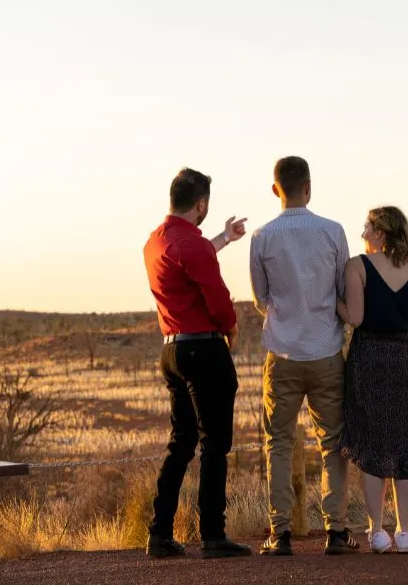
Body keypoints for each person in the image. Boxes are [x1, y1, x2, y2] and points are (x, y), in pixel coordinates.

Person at [249, 156, 359, 556]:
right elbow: (342, 291)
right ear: (308, 187)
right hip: (327, 350)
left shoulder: (261, 237)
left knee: (278, 442)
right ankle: (336, 530)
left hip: (282, 353)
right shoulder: (333, 232)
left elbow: (262, 298)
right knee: (332, 443)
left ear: (276, 189)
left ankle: (280, 533)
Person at [142, 167, 252, 559]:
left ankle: (160, 532)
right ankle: (212, 534)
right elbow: (216, 295)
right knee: (215, 443)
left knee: (182, 441)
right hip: (203, 350)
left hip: (171, 350)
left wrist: (223, 238)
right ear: (201, 203)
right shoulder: (192, 246)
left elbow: (190, 259)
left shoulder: (156, 242)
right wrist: (231, 327)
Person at [337, 206, 408, 554]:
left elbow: (356, 316)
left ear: (380, 232)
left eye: (367, 227)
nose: (363, 233)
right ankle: (405, 531)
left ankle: (377, 531)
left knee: (372, 444)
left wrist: (335, 304)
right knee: (407, 445)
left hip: (369, 359)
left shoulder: (357, 266)